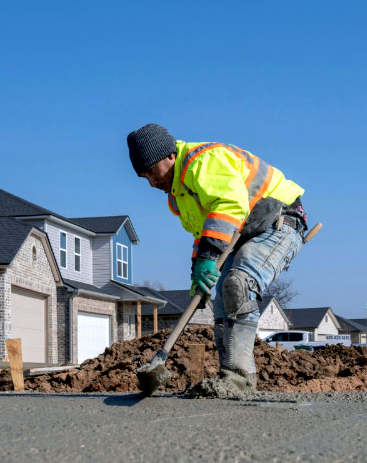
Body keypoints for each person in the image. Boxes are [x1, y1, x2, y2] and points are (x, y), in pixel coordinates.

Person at [127, 123, 308, 397]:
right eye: (144, 178)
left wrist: (209, 257)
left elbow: (229, 205)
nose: (152, 182)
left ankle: (239, 381)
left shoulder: (202, 162)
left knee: (239, 284)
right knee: (223, 300)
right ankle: (230, 380)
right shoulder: (177, 197)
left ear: (170, 156)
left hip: (279, 220)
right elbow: (205, 232)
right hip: (245, 233)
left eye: (152, 172)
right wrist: (198, 271)